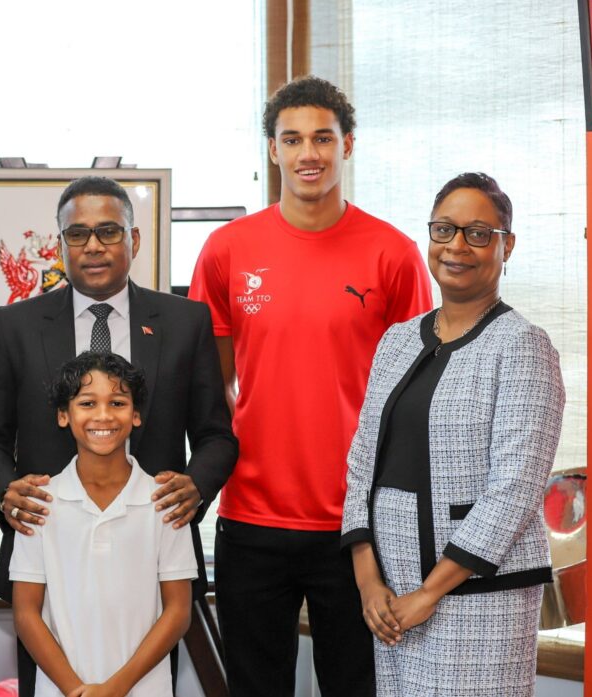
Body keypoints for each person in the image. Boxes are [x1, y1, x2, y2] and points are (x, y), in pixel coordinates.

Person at [188, 75, 433, 696]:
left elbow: (415, 396)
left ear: (347, 145)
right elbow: (212, 387)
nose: (308, 153)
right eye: (292, 139)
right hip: (252, 516)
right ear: (272, 149)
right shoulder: (227, 250)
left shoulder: (393, 253)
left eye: (323, 138)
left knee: (356, 687)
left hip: (358, 524)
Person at [0, 175, 237, 696]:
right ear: (61, 244)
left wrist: (195, 487)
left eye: (109, 231)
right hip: (49, 554)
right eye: (78, 234)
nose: (93, 245)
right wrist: (6, 494)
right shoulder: (15, 325)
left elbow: (217, 436)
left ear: (133, 239)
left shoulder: (185, 321)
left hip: (151, 556)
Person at [341, 172, 565, 696]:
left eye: (478, 233)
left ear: (507, 245)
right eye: (444, 230)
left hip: (479, 596)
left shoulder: (523, 346)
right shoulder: (397, 340)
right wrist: (368, 580)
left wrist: (428, 594)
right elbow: (361, 462)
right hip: (390, 595)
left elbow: (514, 490)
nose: (457, 246)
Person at [11, 351, 196, 696]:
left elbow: (178, 611)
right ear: (63, 415)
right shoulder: (39, 503)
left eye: (117, 402)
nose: (103, 415)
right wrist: (76, 689)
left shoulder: (166, 501)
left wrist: (114, 688)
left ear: (136, 414)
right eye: (87, 403)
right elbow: (25, 614)